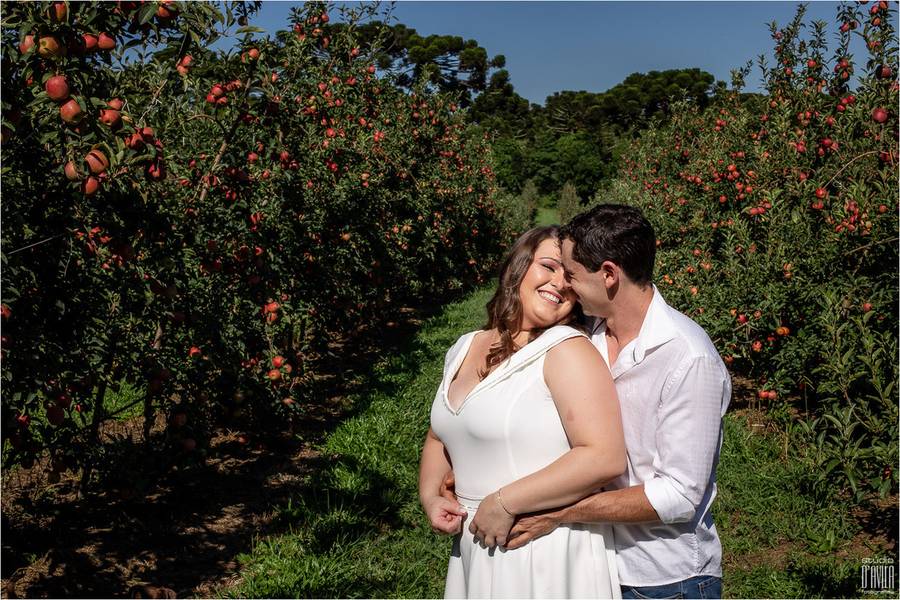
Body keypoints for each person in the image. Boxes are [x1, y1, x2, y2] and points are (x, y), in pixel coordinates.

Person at [500, 205, 732, 599]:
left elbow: (678, 495)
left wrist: (560, 512)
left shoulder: (688, 359)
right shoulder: (584, 336)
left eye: (572, 274)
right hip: (589, 562)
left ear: (609, 274)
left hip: (660, 579)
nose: (565, 285)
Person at [418, 225, 627, 599]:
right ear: (518, 265)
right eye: (548, 266)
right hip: (475, 547)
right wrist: (432, 497)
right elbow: (440, 434)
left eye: (570, 275)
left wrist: (505, 501)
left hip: (542, 552)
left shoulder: (567, 351)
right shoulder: (465, 346)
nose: (559, 283)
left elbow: (604, 457)